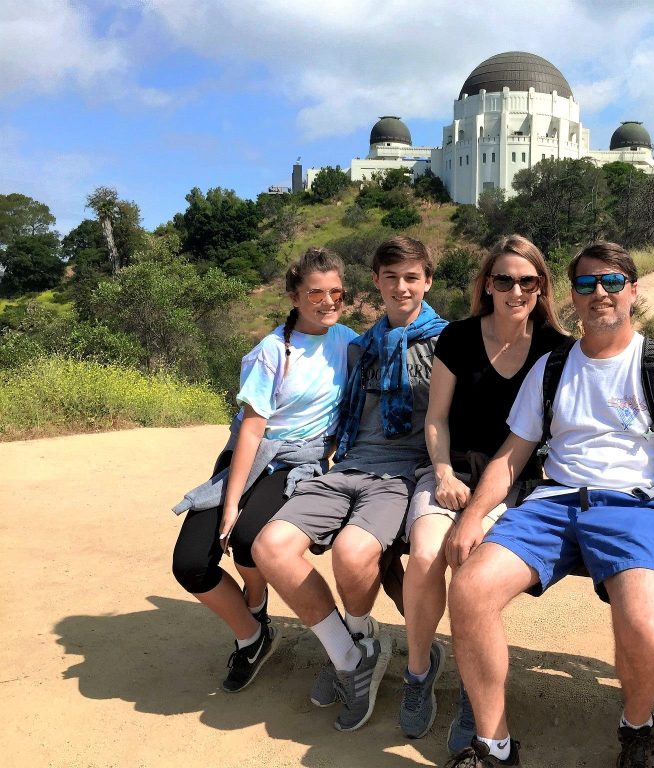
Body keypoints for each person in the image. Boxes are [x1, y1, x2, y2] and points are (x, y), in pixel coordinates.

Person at [445, 242, 654, 768]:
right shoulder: (552, 366)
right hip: (554, 503)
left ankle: (636, 728)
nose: (599, 294)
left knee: (648, 626)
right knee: (470, 590)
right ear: (572, 298)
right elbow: (512, 456)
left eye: (611, 283)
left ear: (633, 291)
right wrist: (472, 517)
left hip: (635, 507)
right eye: (586, 285)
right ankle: (494, 747)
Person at [253, 235, 447, 732]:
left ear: (427, 280)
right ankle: (355, 652)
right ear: (377, 283)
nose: (401, 287)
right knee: (270, 547)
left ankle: (363, 650)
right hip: (347, 466)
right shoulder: (361, 345)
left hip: (404, 472)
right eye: (390, 277)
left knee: (352, 553)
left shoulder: (449, 342)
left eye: (411, 277)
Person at [401, 235, 570, 750]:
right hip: (452, 470)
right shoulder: (457, 337)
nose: (515, 290)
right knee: (427, 554)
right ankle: (418, 670)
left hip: (512, 482)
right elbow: (436, 418)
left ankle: (473, 693)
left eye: (527, 281)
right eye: (504, 279)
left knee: (469, 562)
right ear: (487, 284)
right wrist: (444, 473)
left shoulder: (556, 349)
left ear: (541, 287)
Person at [171, 247, 357, 692]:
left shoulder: (349, 342)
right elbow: (251, 433)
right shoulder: (271, 352)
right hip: (250, 457)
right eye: (315, 292)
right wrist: (230, 502)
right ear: (295, 295)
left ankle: (256, 599)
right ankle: (252, 633)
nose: (327, 301)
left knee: (253, 542)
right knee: (191, 563)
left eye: (336, 292)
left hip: (300, 462)